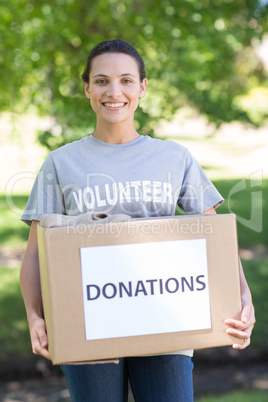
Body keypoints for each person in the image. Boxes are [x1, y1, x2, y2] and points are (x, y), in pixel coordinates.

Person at [20, 39, 255, 401]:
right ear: (86, 88)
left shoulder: (174, 157)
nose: (114, 91)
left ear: (142, 87)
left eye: (126, 80)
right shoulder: (61, 163)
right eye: (101, 81)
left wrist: (242, 299)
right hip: (87, 322)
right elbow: (36, 253)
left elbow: (216, 239)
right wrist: (35, 316)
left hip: (166, 320)